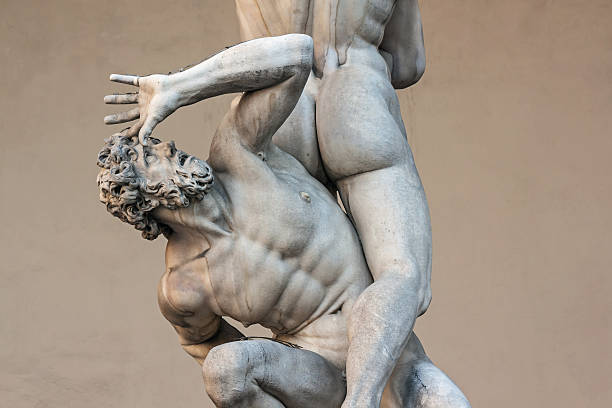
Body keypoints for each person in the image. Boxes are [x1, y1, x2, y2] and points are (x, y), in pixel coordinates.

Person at [100, 35, 469, 407]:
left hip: (390, 356)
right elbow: (201, 343)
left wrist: (179, 87)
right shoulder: (183, 286)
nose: (166, 147)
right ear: (142, 198)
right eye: (150, 156)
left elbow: (296, 54)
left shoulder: (237, 155)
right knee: (224, 368)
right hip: (315, 374)